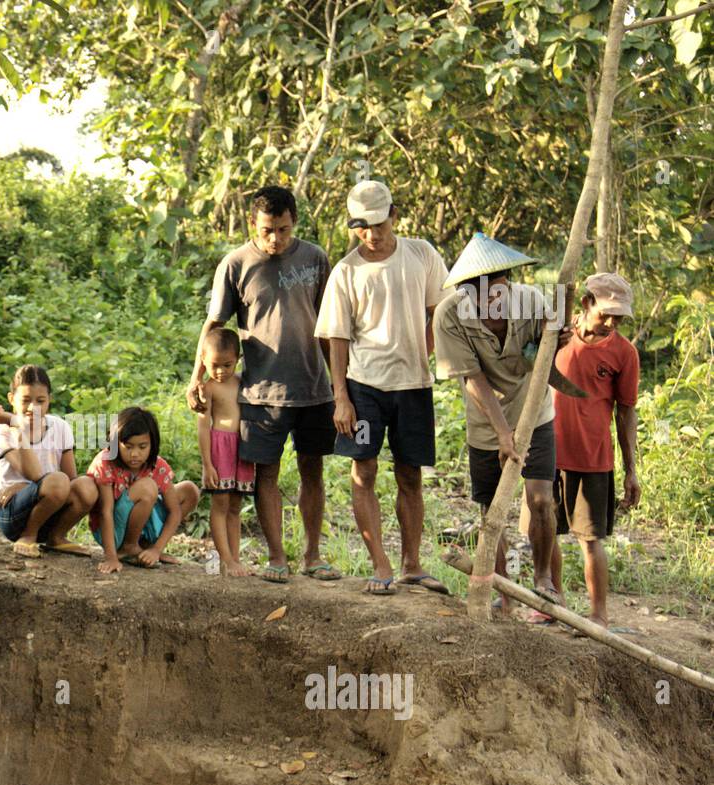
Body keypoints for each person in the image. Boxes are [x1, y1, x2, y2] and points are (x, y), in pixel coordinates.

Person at [188, 185, 340, 584]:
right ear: (252, 225)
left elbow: (330, 328)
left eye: (284, 230)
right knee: (265, 475)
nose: (276, 239)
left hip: (313, 388)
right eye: (268, 230)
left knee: (313, 470)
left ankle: (313, 555)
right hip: (261, 392)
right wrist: (195, 379)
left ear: (296, 224)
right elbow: (214, 325)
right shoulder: (236, 264)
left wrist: (340, 387)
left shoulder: (315, 258)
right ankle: (277, 558)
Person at [315, 180, 450, 596]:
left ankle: (412, 563)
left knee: (410, 473)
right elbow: (335, 337)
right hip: (364, 387)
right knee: (364, 470)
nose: (372, 234)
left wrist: (426, 352)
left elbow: (440, 310)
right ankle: (380, 562)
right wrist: (341, 396)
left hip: (414, 386)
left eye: (379, 223)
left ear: (394, 215)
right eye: (362, 227)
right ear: (354, 226)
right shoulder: (346, 271)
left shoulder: (421, 254)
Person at [434, 233, 568, 620]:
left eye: (499, 290)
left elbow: (546, 352)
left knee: (541, 499)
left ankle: (543, 583)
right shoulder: (450, 316)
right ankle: (504, 592)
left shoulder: (532, 303)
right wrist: (503, 435)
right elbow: (473, 379)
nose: (494, 301)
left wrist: (559, 341)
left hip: (534, 412)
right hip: (486, 423)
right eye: (483, 296)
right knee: (491, 514)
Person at [545, 273, 641, 629]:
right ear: (586, 303)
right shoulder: (556, 334)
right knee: (545, 531)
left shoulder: (623, 353)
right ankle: (552, 604)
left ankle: (598, 614)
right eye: (607, 313)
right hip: (547, 449)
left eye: (620, 316)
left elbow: (626, 410)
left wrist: (631, 470)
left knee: (591, 538)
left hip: (593, 455)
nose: (612, 322)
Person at [0, 365, 97, 559]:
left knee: (86, 485)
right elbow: (35, 474)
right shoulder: (2, 432)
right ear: (11, 399)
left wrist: (26, 485)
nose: (32, 408)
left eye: (40, 401)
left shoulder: (60, 427)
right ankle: (28, 536)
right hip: (13, 514)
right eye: (26, 400)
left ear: (49, 400)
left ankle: (56, 537)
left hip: (49, 509)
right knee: (57, 481)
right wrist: (17, 425)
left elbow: (71, 480)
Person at [87, 407, 200, 574]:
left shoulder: (157, 465)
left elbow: (175, 511)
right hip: (112, 532)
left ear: (152, 444)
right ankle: (128, 547)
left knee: (189, 490)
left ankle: (146, 547)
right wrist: (111, 557)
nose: (135, 454)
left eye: (142, 447)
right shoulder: (106, 463)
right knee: (147, 487)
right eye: (128, 446)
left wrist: (157, 549)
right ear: (115, 444)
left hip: (143, 528)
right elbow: (106, 511)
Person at [196, 327, 255, 576]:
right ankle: (225, 559)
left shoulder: (244, 382)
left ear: (238, 360)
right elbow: (202, 427)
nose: (220, 372)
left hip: (242, 446)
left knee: (235, 506)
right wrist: (207, 464)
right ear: (203, 362)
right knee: (219, 504)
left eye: (227, 365)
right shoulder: (207, 389)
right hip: (220, 446)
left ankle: (234, 559)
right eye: (214, 365)